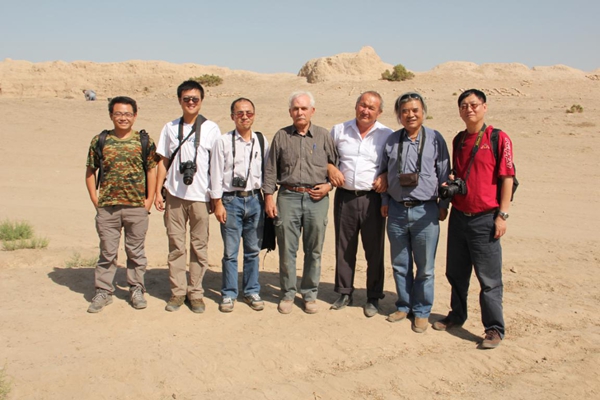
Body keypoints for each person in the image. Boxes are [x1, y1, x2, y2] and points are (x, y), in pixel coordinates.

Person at [433, 89, 515, 349]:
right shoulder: (458, 140)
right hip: (459, 216)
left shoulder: (498, 138)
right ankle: (457, 315)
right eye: (464, 106)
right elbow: (458, 174)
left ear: (484, 107)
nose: (469, 109)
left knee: (489, 279)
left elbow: (507, 178)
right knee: (456, 273)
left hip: (485, 218)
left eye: (474, 104)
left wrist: (502, 215)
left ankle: (494, 329)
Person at [380, 92, 450, 333]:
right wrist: (384, 200)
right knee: (400, 264)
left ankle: (422, 311)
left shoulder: (435, 139)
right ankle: (404, 305)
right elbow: (383, 173)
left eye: (415, 110)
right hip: (397, 210)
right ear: (399, 115)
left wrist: (443, 204)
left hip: (426, 210)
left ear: (423, 112)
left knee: (425, 267)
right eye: (405, 111)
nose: (410, 115)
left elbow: (444, 172)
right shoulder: (391, 140)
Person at [263, 91, 337, 315]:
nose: (300, 112)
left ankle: (309, 294)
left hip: (317, 198)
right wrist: (268, 196)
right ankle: (287, 293)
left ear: (312, 111)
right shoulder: (281, 136)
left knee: (314, 250)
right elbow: (270, 169)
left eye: (304, 108)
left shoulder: (323, 136)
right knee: (287, 249)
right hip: (288, 196)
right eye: (295, 108)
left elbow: (335, 166)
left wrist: (329, 186)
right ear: (290, 112)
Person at [85, 96, 158, 313]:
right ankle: (103, 291)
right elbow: (90, 171)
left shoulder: (144, 141)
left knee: (135, 251)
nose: (123, 118)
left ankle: (136, 289)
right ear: (111, 115)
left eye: (127, 114)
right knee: (107, 252)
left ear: (135, 116)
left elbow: (151, 171)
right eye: (118, 113)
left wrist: (149, 201)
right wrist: (95, 199)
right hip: (107, 207)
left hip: (136, 207)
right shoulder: (100, 140)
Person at [155, 80, 222, 313]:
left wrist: (216, 198)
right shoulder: (170, 127)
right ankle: (177, 293)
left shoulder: (211, 128)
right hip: (174, 195)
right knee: (176, 246)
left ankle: (195, 293)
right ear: (179, 100)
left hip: (201, 196)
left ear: (201, 101)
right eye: (186, 99)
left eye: (195, 99)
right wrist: (158, 191)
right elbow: (162, 161)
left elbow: (216, 165)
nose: (191, 102)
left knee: (199, 247)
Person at [327, 91, 393, 317]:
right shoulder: (339, 130)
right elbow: (326, 157)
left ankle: (373, 296)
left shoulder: (387, 134)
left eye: (371, 108)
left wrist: (386, 175)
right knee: (344, 247)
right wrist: (330, 167)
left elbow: (393, 164)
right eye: (362, 105)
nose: (366, 111)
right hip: (345, 197)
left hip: (373, 198)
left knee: (374, 249)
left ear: (379, 112)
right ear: (356, 106)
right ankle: (344, 292)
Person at [210, 98, 269, 313]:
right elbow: (215, 174)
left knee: (253, 250)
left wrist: (268, 198)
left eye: (249, 113)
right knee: (230, 252)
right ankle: (229, 293)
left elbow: (267, 172)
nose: (245, 117)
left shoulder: (261, 140)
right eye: (240, 113)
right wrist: (217, 203)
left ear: (254, 115)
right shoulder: (223, 141)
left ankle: (252, 290)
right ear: (232, 116)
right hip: (231, 201)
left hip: (255, 199)